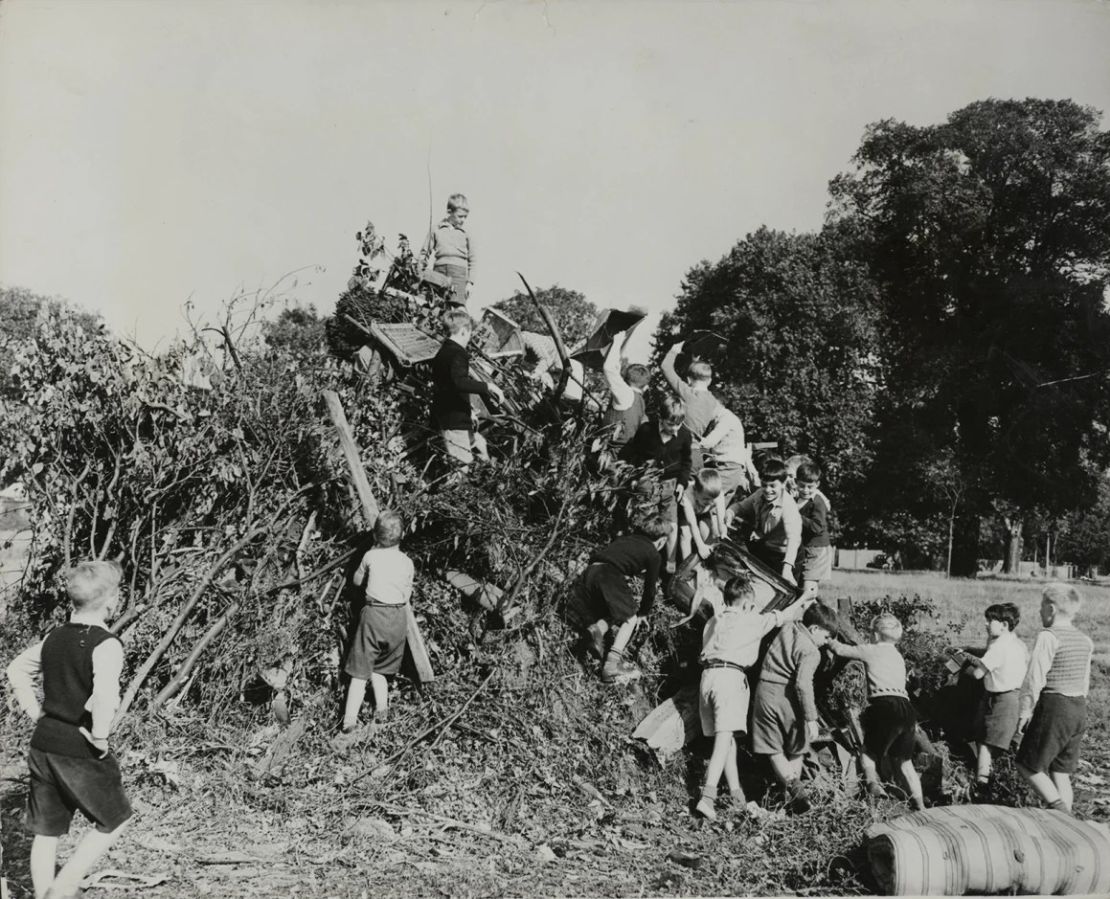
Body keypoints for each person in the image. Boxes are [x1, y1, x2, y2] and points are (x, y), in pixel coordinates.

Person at [6, 561, 133, 899]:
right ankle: (64, 886)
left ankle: (43, 893)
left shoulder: (54, 638)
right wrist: (101, 737)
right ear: (111, 601)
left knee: (46, 830)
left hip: (44, 743)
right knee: (115, 817)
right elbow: (104, 696)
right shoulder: (107, 645)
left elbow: (16, 669)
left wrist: (37, 713)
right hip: (79, 745)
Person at [691, 572, 811, 820]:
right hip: (730, 677)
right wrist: (804, 598)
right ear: (746, 603)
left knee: (727, 739)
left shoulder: (713, 621)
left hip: (708, 677)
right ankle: (707, 797)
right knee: (724, 739)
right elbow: (785, 615)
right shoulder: (751, 620)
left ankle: (737, 796)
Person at [827, 612, 926, 811]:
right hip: (906, 708)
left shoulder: (871, 649)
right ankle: (921, 806)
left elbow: (841, 650)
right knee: (905, 762)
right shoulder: (898, 657)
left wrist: (829, 639)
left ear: (877, 635)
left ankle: (874, 786)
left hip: (884, 706)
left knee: (868, 752)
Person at [751, 602, 840, 813]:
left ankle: (792, 789)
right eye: (826, 637)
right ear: (815, 629)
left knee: (772, 748)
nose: (826, 643)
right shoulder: (811, 651)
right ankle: (795, 796)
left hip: (764, 692)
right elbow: (802, 684)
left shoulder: (788, 627)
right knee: (797, 747)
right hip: (786, 697)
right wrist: (811, 718)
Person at [335, 511, 415, 747]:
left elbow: (357, 582)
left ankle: (349, 722)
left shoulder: (371, 556)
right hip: (399, 618)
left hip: (375, 616)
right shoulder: (408, 562)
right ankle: (382, 712)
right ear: (403, 536)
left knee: (360, 672)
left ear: (375, 536)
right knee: (381, 670)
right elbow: (407, 593)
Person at [1015, 583, 1093, 814]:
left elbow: (1034, 678)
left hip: (1055, 705)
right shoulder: (1085, 641)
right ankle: (1067, 825)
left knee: (1027, 764)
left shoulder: (1048, 637)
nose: (1039, 611)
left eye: (1041, 606)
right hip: (1078, 707)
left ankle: (1060, 812)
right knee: (1060, 772)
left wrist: (1025, 711)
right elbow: (1085, 682)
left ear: (1051, 608)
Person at [571, 514, 672, 684]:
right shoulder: (654, 554)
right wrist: (643, 613)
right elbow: (650, 589)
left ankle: (597, 631)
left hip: (591, 572)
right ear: (662, 541)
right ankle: (611, 666)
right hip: (608, 574)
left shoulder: (626, 539)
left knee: (614, 610)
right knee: (629, 618)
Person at [950, 602, 1028, 794]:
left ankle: (982, 784)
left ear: (1004, 625)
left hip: (1001, 699)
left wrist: (957, 665)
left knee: (985, 742)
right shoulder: (1016, 643)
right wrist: (971, 652)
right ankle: (1008, 779)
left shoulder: (998, 648)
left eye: (990, 620)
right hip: (1016, 696)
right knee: (1006, 741)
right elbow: (990, 658)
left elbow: (978, 674)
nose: (986, 624)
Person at [619, 396, 694, 571]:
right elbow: (634, 453)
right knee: (645, 521)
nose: (674, 428)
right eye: (670, 424)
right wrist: (633, 476)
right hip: (648, 481)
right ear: (660, 418)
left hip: (671, 485)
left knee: (671, 524)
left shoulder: (684, 435)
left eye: (678, 424)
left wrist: (682, 482)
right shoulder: (646, 430)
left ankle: (670, 562)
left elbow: (687, 462)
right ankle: (641, 560)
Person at [431, 310, 504, 469]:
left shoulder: (444, 351)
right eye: (469, 333)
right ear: (464, 331)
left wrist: (469, 410)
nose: (469, 338)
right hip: (454, 421)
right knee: (462, 468)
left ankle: (485, 473)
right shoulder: (458, 353)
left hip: (452, 414)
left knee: (480, 443)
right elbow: (459, 383)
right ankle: (461, 488)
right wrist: (488, 386)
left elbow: (449, 386)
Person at [725, 457, 802, 585]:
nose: (767, 490)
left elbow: (793, 539)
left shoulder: (788, 506)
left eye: (773, 486)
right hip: (767, 550)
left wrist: (787, 568)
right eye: (764, 485)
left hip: (787, 557)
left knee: (786, 592)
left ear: (783, 484)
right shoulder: (760, 494)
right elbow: (740, 506)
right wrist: (729, 514)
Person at [661, 340, 723, 443]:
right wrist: (694, 363)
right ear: (710, 381)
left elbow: (666, 367)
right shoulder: (713, 401)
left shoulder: (688, 393)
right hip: (695, 446)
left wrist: (674, 349)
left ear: (689, 380)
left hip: (678, 444)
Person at [422, 193, 475, 306]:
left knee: (456, 308)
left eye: (465, 217)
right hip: (439, 272)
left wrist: (470, 283)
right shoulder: (437, 229)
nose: (463, 220)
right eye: (460, 216)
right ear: (449, 212)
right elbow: (424, 253)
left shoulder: (466, 233)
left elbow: (473, 259)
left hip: (458, 275)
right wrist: (419, 272)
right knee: (436, 306)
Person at [601, 330, 649, 449]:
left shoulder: (626, 394)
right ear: (646, 387)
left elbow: (608, 368)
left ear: (626, 380)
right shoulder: (640, 402)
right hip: (627, 456)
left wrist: (617, 342)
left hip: (611, 455)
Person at [795, 461, 833, 606]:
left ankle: (811, 614)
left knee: (808, 588)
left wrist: (797, 517)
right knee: (802, 585)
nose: (805, 490)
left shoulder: (817, 502)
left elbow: (817, 527)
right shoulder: (797, 500)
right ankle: (812, 610)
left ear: (817, 484)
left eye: (810, 486)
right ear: (796, 482)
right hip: (806, 548)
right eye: (802, 485)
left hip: (817, 549)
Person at [697, 406, 750, 498]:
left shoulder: (726, 419)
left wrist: (687, 440)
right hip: (728, 468)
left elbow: (708, 442)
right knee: (715, 507)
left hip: (726, 468)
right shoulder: (721, 419)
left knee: (708, 501)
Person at [678, 468, 727, 561]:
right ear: (695, 491)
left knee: (708, 530)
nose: (711, 502)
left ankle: (709, 558)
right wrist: (700, 545)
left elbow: (721, 521)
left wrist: (723, 532)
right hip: (686, 514)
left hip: (702, 511)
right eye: (706, 499)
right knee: (685, 533)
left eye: (713, 499)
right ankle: (687, 565)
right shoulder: (687, 496)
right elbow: (692, 524)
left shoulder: (717, 495)